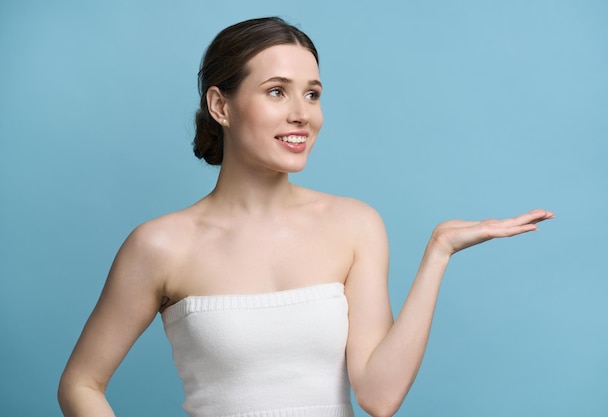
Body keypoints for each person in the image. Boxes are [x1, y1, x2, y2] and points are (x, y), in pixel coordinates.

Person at [58, 16, 554, 417]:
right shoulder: (161, 245)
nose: (303, 114)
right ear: (220, 105)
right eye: (277, 91)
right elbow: (81, 384)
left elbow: (379, 398)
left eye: (312, 93)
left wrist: (438, 254)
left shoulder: (355, 224)